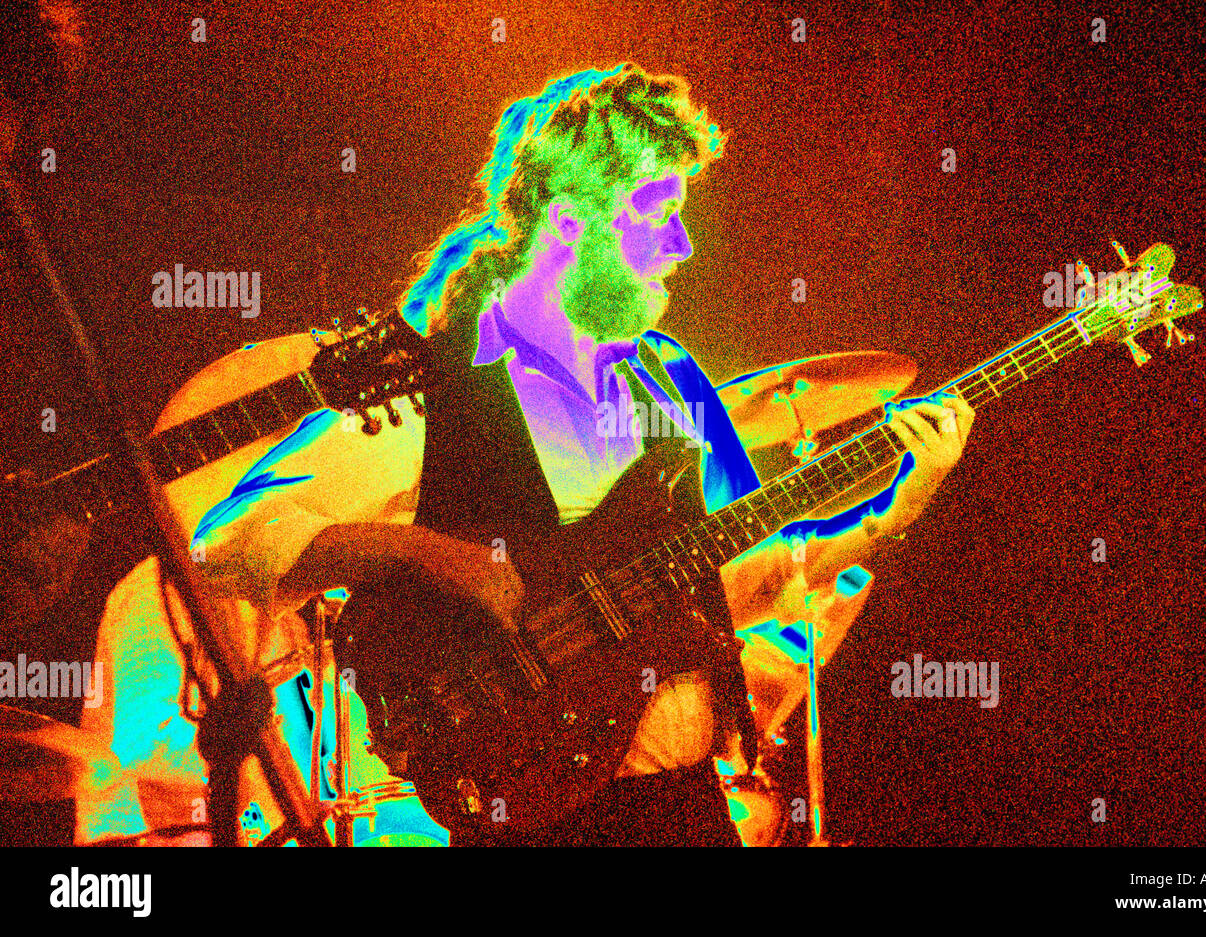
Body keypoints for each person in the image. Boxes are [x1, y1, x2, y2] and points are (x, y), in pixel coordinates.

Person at [169, 62, 974, 845]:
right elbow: (223, 545)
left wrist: (894, 507)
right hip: (530, 817)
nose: (684, 244)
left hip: (683, 812)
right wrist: (420, 551)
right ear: (564, 220)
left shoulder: (672, 381)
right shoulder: (431, 388)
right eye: (656, 212)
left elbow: (742, 582)